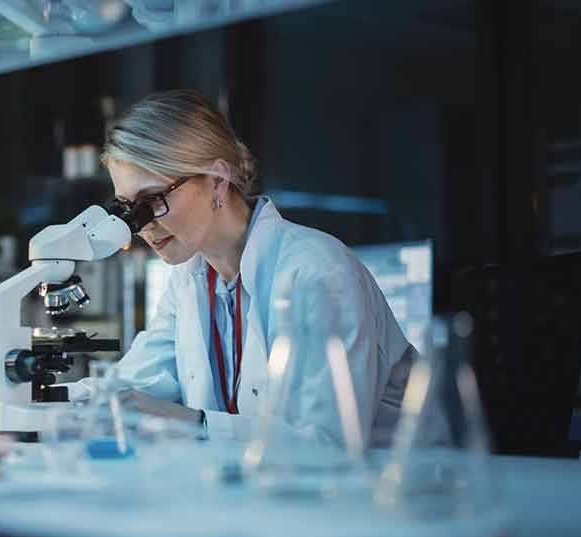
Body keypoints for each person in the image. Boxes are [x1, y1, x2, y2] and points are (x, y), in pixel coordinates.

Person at [66, 90, 415, 447]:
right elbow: (132, 388)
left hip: (396, 479)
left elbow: (326, 446)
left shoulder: (317, 273)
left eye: (151, 201)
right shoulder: (188, 281)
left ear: (217, 180)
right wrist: (58, 401)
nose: (142, 226)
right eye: (127, 209)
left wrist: (193, 423)